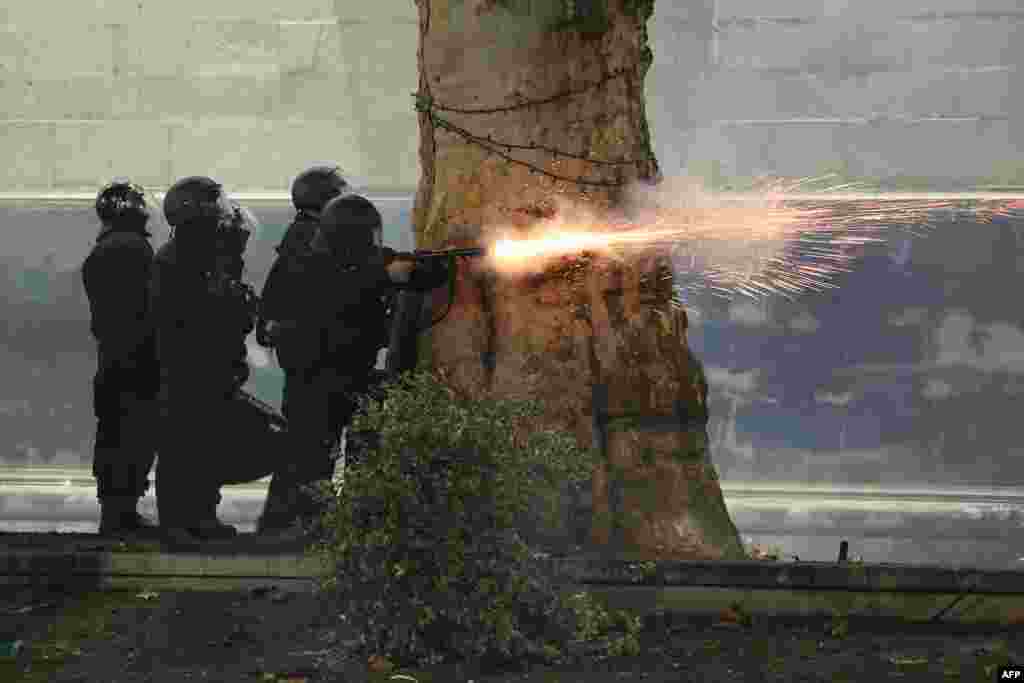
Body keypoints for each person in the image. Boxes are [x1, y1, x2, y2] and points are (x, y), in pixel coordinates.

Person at [256, 194, 449, 535]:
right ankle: (288, 527)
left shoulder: (361, 262)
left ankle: (349, 525)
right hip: (314, 379)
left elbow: (414, 274)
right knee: (308, 459)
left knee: (357, 453)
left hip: (352, 375)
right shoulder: (306, 267)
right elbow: (343, 289)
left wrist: (424, 266)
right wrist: (387, 274)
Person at [150, 176, 260, 546]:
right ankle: (177, 523)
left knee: (204, 446)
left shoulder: (200, 255)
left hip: (209, 370)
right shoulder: (175, 260)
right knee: (182, 446)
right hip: (186, 370)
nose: (223, 215)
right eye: (216, 206)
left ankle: (201, 516)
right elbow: (192, 315)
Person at [81, 179, 161, 535]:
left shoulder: (103, 249)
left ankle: (114, 512)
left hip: (112, 358)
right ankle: (122, 514)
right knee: (135, 437)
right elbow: (152, 307)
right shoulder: (134, 249)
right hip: (137, 359)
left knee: (113, 434)